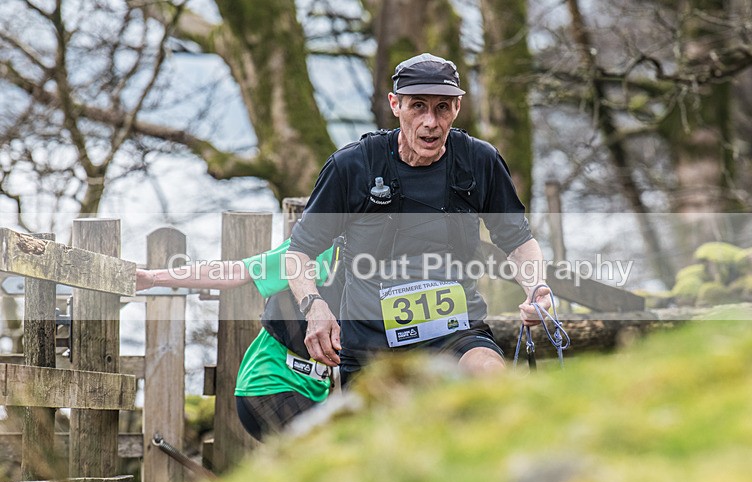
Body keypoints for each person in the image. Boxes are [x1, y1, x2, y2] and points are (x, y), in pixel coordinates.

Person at [285, 52, 551, 387]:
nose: (431, 121)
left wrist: (536, 289)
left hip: (456, 333)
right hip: (372, 347)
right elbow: (299, 252)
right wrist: (314, 307)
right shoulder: (351, 166)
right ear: (395, 104)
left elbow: (518, 241)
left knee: (492, 377)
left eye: (443, 107)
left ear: (457, 108)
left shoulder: (478, 160)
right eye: (418, 106)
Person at [136, 238, 342, 441]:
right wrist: (154, 278)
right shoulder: (315, 249)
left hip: (316, 391)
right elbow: (235, 272)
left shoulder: (359, 266)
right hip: (270, 385)